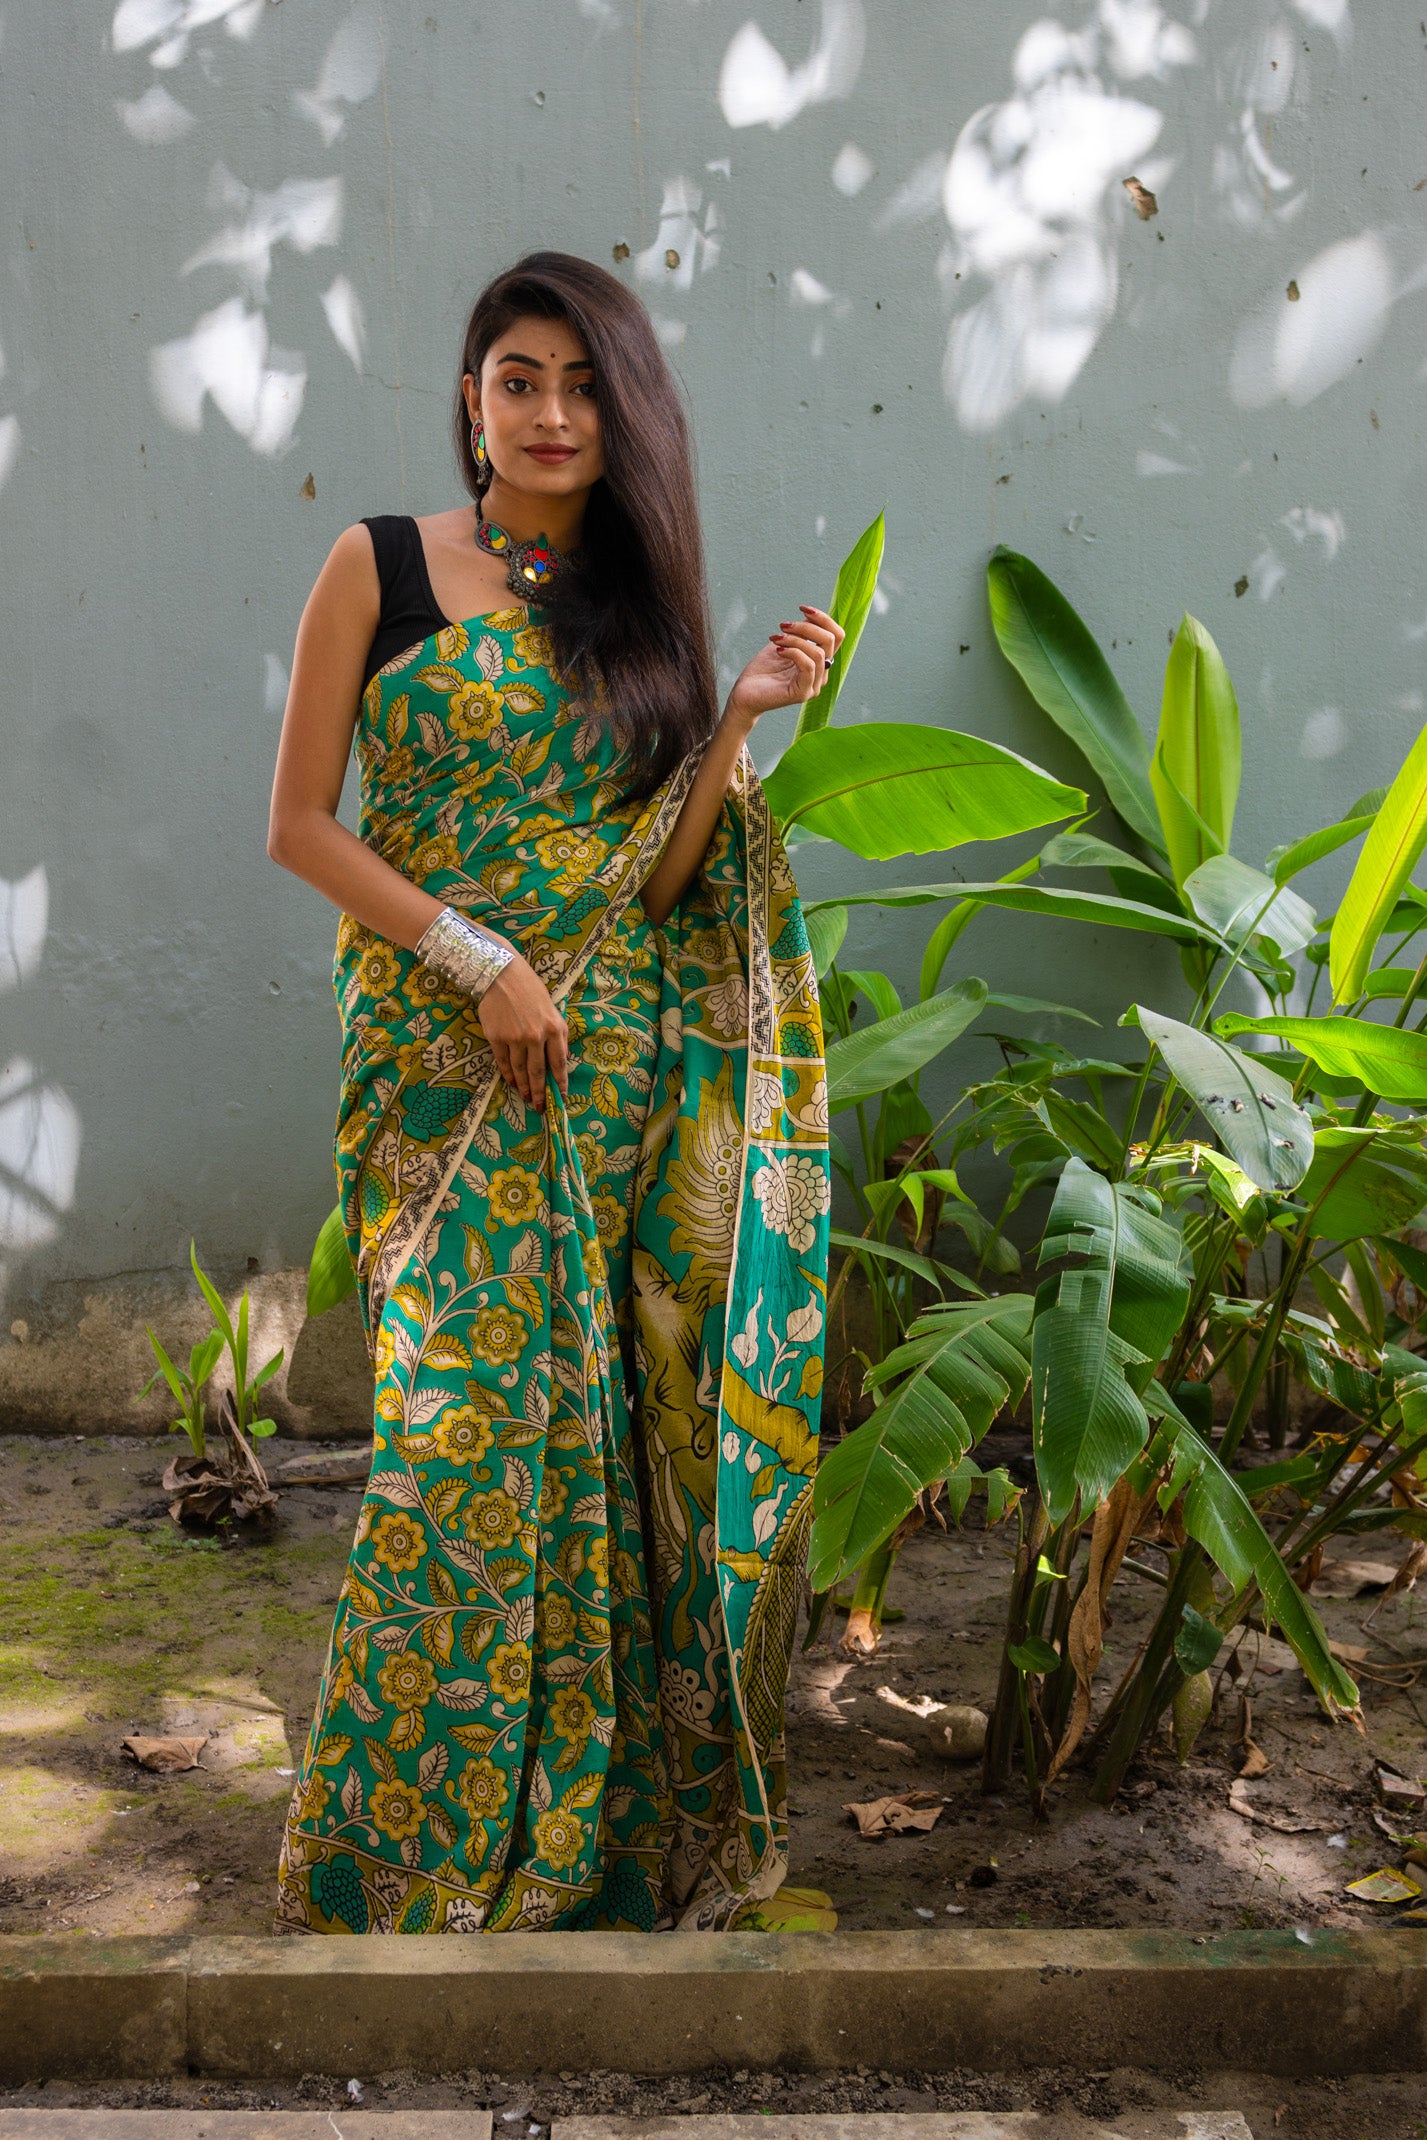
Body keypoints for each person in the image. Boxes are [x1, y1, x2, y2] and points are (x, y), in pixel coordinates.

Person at [266, 252, 838, 1935]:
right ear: (470, 398)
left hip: (607, 1083)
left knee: (597, 1461)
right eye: (521, 378)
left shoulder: (642, 616)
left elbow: (657, 887)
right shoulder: (378, 568)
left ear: (624, 412)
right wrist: (473, 958)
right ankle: (398, 1862)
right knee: (462, 1451)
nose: (552, 414)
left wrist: (732, 722)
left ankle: (578, 1853)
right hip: (442, 1083)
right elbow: (302, 825)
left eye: (586, 386)